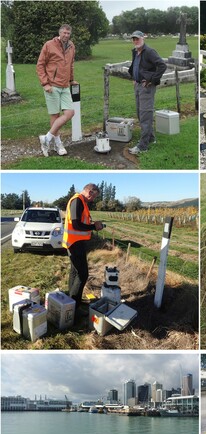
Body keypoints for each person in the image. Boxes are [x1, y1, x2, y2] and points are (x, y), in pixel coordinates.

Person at [62, 183, 104, 315]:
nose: (93, 199)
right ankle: (74, 307)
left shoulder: (81, 202)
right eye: (94, 196)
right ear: (90, 192)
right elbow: (76, 224)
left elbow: (81, 222)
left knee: (75, 272)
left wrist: (92, 225)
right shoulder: (77, 201)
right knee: (82, 274)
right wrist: (93, 227)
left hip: (75, 242)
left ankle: (71, 302)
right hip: (75, 243)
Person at [36, 24, 77, 157]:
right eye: (64, 33)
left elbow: (70, 65)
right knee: (55, 116)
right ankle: (58, 144)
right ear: (60, 33)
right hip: (52, 86)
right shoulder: (49, 45)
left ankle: (46, 138)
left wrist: (71, 80)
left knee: (70, 112)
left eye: (68, 33)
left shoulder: (71, 47)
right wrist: (45, 84)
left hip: (65, 86)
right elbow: (40, 65)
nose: (66, 35)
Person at [128, 31, 167, 155]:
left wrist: (152, 80)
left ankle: (142, 146)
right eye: (133, 39)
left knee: (145, 115)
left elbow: (162, 65)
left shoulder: (150, 51)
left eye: (137, 39)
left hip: (146, 87)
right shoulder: (135, 51)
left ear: (143, 38)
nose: (135, 41)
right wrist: (134, 78)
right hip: (138, 85)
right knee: (140, 113)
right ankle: (151, 138)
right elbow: (136, 66)